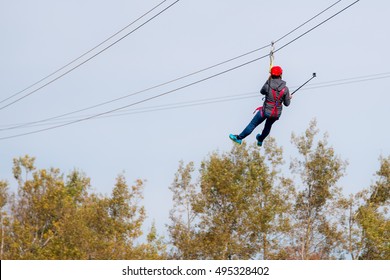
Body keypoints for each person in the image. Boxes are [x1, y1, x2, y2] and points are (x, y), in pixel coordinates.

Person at [229, 65, 291, 147]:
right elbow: (287, 104)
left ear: (271, 75)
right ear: (280, 75)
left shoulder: (268, 85)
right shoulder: (285, 89)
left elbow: (262, 91)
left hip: (265, 111)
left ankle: (239, 138)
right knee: (268, 127)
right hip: (276, 114)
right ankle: (260, 140)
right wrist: (289, 98)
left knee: (253, 124)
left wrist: (268, 81)